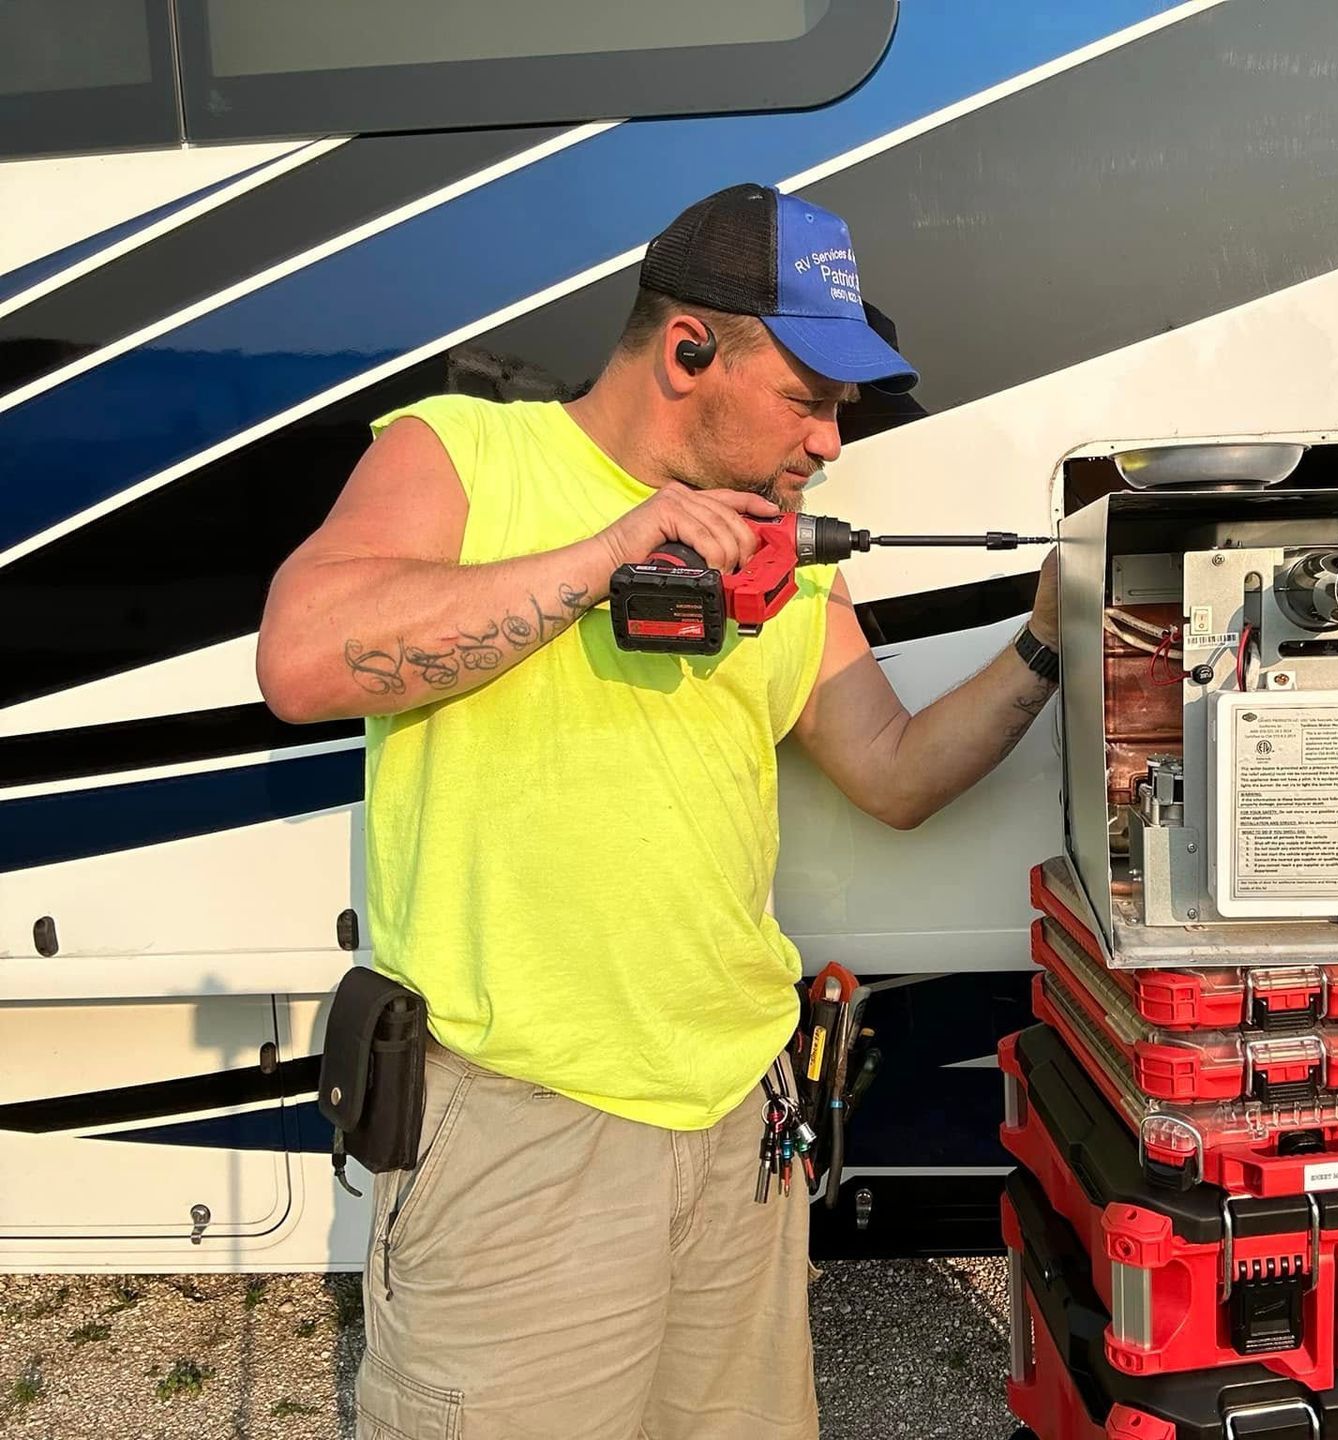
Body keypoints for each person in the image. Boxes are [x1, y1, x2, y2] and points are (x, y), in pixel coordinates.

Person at [256, 183, 1059, 1440]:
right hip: (519, 1133)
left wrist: (1047, 645)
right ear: (689, 350)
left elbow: (895, 772)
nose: (832, 443)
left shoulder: (777, 557)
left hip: (739, 1122)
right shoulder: (464, 453)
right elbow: (301, 659)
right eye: (809, 398)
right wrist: (601, 560)